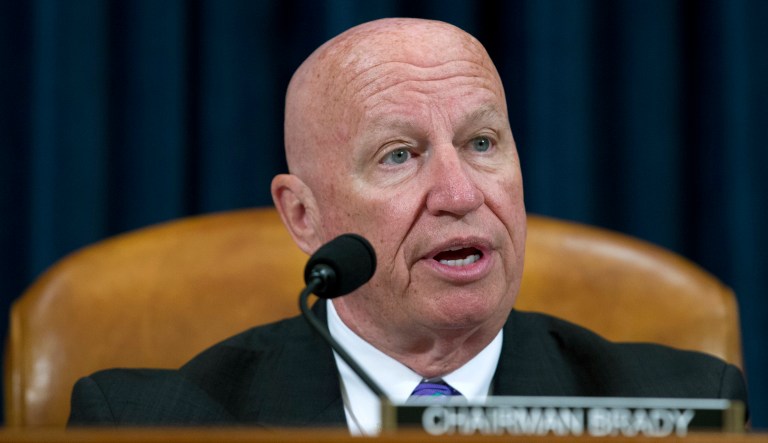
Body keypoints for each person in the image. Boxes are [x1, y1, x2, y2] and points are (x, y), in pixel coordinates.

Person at [68, 18, 748, 434]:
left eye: (482, 143)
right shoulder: (150, 422)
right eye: (399, 155)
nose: (460, 193)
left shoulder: (684, 406)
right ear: (303, 215)